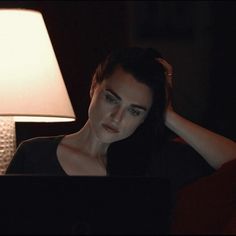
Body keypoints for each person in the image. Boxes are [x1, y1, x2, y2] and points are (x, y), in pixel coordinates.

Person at [6, 47, 236, 186]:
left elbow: (231, 161)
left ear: (145, 117)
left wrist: (167, 114)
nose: (117, 117)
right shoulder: (34, 154)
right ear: (94, 87)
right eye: (112, 99)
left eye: (134, 111)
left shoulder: (153, 163)